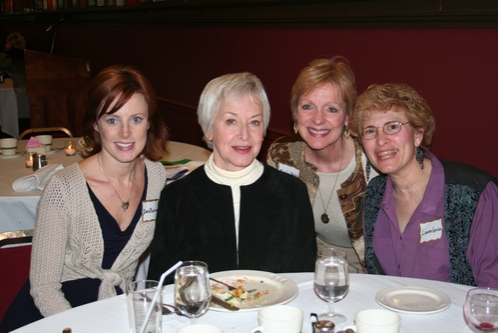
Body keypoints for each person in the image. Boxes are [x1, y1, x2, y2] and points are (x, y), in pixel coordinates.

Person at [0, 65, 168, 332]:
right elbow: (44, 289)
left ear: (149, 121)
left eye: (135, 119)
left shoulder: (156, 177)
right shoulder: (63, 189)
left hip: (112, 313)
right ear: (95, 124)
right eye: (112, 120)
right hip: (53, 319)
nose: (125, 133)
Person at [148, 72, 317, 284]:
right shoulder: (177, 197)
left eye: (254, 122)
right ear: (208, 128)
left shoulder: (291, 193)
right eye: (231, 121)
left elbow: (303, 281)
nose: (244, 135)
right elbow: (162, 284)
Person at [349, 83, 497, 287]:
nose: (381, 140)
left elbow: (493, 285)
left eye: (392, 127)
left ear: (418, 135)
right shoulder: (375, 193)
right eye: (370, 131)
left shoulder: (472, 193)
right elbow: (375, 275)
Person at [267, 57, 377, 273]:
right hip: (304, 270)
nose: (318, 119)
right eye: (308, 107)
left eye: (331, 109)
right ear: (295, 113)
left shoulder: (372, 162)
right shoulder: (282, 155)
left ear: (347, 116)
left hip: (365, 276)